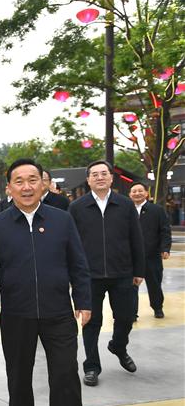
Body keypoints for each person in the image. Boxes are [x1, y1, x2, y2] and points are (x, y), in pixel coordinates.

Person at [0, 159, 92, 406]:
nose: (26, 187)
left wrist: (84, 301)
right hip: (17, 312)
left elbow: (78, 264)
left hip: (58, 312)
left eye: (32, 180)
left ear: (43, 184)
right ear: (9, 188)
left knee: (66, 372)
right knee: (18, 371)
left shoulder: (62, 220)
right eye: (19, 181)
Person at [69, 160, 144, 387]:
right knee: (91, 323)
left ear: (112, 178)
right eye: (95, 174)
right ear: (88, 180)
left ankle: (118, 346)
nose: (100, 177)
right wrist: (72, 275)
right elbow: (70, 244)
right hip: (88, 276)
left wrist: (139, 270)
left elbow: (136, 238)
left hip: (123, 272)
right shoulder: (77, 207)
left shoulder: (125, 204)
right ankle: (91, 366)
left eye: (104, 174)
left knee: (127, 316)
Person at [129, 182, 171, 319]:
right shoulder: (126, 210)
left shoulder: (157, 210)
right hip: (130, 257)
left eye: (140, 191)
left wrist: (165, 248)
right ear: (130, 195)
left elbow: (165, 230)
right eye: (134, 191)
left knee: (154, 284)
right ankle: (132, 312)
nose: (137, 193)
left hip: (151, 255)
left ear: (147, 193)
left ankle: (158, 308)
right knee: (130, 287)